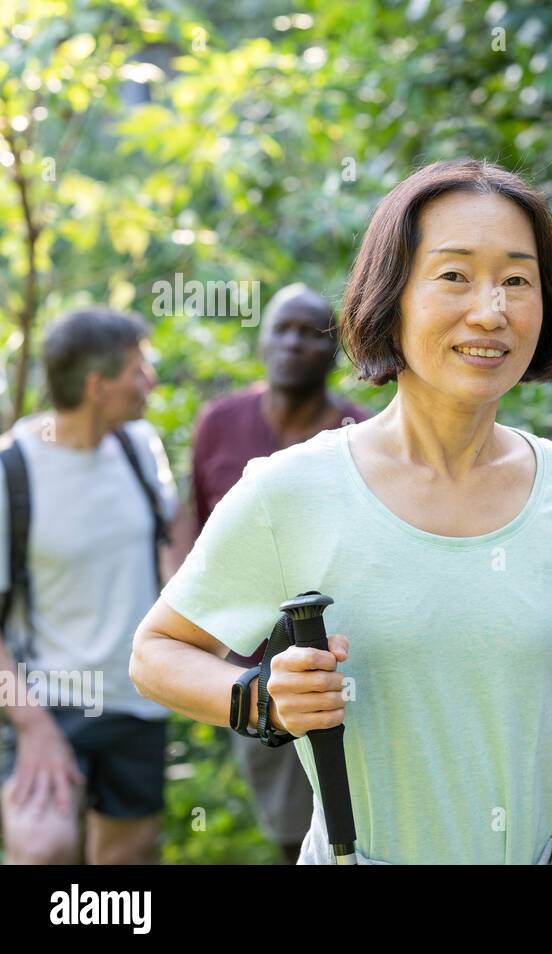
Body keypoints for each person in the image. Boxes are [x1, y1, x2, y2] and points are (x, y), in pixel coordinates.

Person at [131, 159, 552, 863]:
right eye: (454, 275)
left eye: (517, 280)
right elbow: (156, 653)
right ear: (392, 297)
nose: (491, 310)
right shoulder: (292, 490)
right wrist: (259, 700)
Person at [182, 282, 371, 864]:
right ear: (262, 341)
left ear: (334, 351)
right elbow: (186, 534)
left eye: (308, 332)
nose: (292, 343)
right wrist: (200, 646)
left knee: (359, 822)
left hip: (343, 670)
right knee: (293, 831)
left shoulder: (358, 436)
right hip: (253, 676)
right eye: (280, 329)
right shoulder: (221, 422)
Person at [0, 308, 180, 864]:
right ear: (98, 387)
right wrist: (32, 726)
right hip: (46, 700)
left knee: (125, 866)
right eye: (137, 370)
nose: (149, 381)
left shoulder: (139, 447)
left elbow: (167, 558)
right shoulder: (12, 469)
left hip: (137, 700)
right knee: (42, 849)